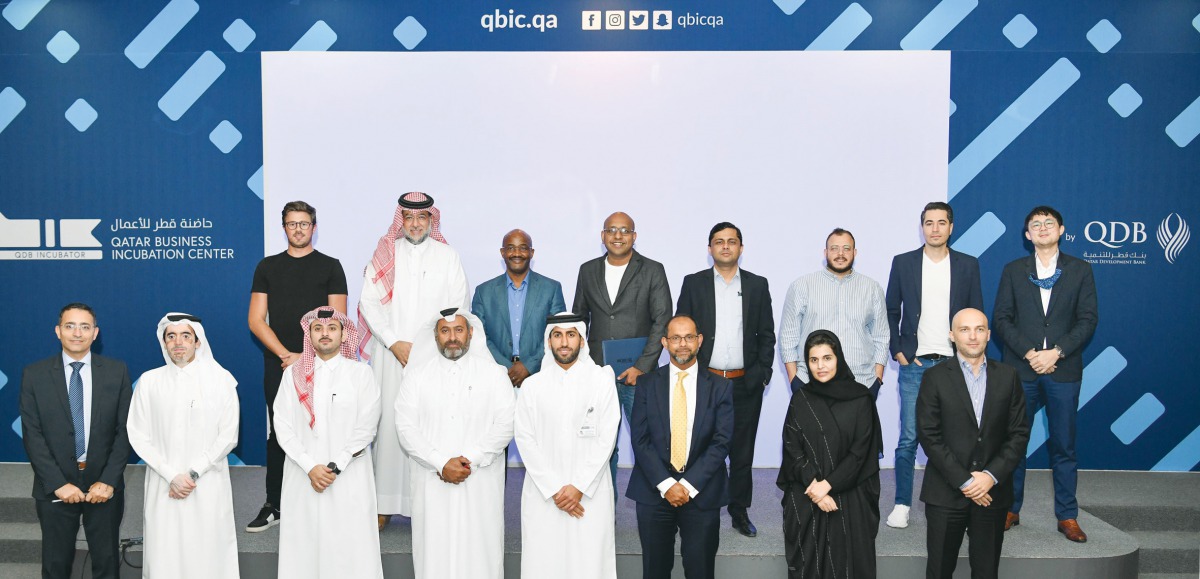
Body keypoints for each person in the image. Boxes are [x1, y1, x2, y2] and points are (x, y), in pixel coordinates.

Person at [359, 191, 469, 528]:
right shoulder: (385, 254)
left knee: (430, 425)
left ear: (431, 220)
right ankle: (384, 502)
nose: (416, 224)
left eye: (422, 217)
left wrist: (430, 347)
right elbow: (369, 303)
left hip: (435, 356)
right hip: (391, 354)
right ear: (401, 220)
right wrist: (394, 342)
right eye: (409, 217)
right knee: (390, 426)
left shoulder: (448, 255)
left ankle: (427, 501)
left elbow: (458, 305)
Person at [992, 205, 1098, 542]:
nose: (1042, 228)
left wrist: (1056, 352)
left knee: (1064, 446)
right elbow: (1002, 319)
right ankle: (1010, 508)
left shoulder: (1080, 270)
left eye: (1048, 223)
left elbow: (1087, 320)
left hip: (1063, 371)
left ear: (1061, 230)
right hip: (1021, 370)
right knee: (1014, 444)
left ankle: (1067, 516)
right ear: (1027, 235)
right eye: (1035, 224)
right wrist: (1030, 353)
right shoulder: (1013, 270)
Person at [248, 200, 348, 532]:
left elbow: (336, 321)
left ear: (313, 228)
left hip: (324, 363)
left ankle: (325, 500)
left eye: (304, 223)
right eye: (292, 224)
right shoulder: (267, 267)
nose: (298, 229)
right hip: (278, 364)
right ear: (284, 228)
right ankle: (274, 504)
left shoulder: (331, 267)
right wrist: (286, 356)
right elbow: (256, 320)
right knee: (280, 432)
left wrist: (305, 357)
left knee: (324, 428)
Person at [883, 202, 983, 529]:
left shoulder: (968, 265)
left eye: (941, 222)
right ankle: (901, 504)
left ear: (951, 227)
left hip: (955, 366)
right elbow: (891, 310)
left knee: (958, 439)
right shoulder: (904, 262)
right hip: (915, 364)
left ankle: (958, 503)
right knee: (909, 438)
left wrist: (971, 356)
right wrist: (898, 350)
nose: (935, 228)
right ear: (922, 227)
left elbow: (976, 313)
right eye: (929, 223)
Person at [395, 308, 515, 579]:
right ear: (435, 336)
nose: (452, 337)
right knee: (434, 551)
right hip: (431, 480)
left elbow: (505, 424)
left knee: (480, 552)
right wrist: (440, 463)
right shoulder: (415, 377)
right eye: (445, 331)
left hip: (480, 480)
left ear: (470, 333)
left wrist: (469, 460)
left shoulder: (494, 374)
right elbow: (405, 428)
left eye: (458, 330)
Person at [675, 222, 775, 537]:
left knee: (742, 453)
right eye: (719, 241)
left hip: (745, 383)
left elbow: (767, 335)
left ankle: (739, 511)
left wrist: (763, 374)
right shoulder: (694, 283)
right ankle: (699, 508)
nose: (726, 246)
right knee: (701, 448)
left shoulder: (757, 285)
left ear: (741, 248)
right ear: (710, 249)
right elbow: (680, 331)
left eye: (732, 241)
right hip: (706, 382)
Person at [19, 303, 133, 579]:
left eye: (85, 327)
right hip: (54, 486)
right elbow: (33, 434)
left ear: (95, 333)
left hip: (103, 487)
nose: (77, 333)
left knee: (107, 563)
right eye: (70, 326)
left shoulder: (116, 371)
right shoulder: (34, 374)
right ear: (58, 331)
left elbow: (126, 430)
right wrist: (57, 483)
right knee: (55, 564)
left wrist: (108, 480)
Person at [918, 308, 1030, 579]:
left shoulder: (1009, 376)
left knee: (986, 571)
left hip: (992, 493)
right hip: (946, 492)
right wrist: (967, 481)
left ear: (988, 335)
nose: (972, 336)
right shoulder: (934, 377)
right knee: (939, 571)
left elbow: (1019, 434)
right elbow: (929, 436)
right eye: (964, 329)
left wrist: (990, 476)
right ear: (952, 335)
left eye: (979, 329)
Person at [273, 306, 383, 578]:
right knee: (304, 545)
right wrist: (310, 467)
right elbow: (283, 426)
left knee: (349, 546)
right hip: (303, 475)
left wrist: (336, 466)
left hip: (348, 475)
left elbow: (366, 427)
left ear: (344, 336)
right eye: (318, 329)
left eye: (332, 328)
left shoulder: (361, 374)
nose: (325, 333)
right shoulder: (292, 375)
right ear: (309, 335)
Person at [127, 313, 240, 577]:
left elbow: (228, 436)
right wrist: (171, 475)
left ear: (198, 342)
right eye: (171, 336)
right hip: (163, 483)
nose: (178, 342)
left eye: (186, 336)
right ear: (164, 342)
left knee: (208, 553)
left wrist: (192, 474)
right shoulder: (149, 381)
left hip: (207, 482)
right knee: (164, 553)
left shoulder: (222, 380)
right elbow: (137, 435)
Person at [626, 315, 733, 579]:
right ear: (664, 342)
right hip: (654, 490)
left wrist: (686, 485)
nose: (682, 344)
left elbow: (721, 441)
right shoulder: (647, 384)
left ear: (699, 340)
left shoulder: (720, 387)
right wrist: (667, 485)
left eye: (688, 337)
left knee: (700, 571)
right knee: (655, 571)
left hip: (701, 491)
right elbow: (640, 439)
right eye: (675, 338)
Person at [515, 313, 620, 579]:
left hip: (589, 494)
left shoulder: (601, 381)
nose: (564, 342)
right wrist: (555, 489)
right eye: (557, 335)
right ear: (548, 341)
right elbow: (525, 439)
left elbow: (607, 438)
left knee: (589, 564)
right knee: (545, 564)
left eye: (571, 335)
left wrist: (579, 487)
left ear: (582, 341)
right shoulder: (532, 386)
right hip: (545, 494)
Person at [572, 211, 672, 490]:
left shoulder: (652, 270)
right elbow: (580, 320)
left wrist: (642, 366)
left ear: (634, 236)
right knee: (600, 446)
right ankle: (605, 508)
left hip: (638, 376)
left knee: (646, 443)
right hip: (597, 374)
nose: (618, 236)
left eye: (625, 230)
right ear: (603, 236)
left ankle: (650, 507)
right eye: (612, 230)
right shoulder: (587, 270)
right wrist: (583, 365)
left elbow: (662, 319)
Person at [778, 330, 882, 579]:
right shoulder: (801, 399)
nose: (820, 366)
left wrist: (828, 485)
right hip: (808, 488)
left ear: (839, 359)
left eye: (827, 358)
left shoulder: (861, 398)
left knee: (848, 564)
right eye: (813, 360)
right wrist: (815, 486)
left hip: (850, 488)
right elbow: (792, 447)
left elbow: (860, 453)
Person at [779, 228, 888, 397]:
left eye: (846, 248)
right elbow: (788, 336)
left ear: (855, 252)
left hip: (861, 383)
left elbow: (881, 336)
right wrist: (795, 381)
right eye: (834, 248)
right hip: (811, 384)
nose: (840, 254)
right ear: (825, 253)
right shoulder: (802, 286)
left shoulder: (872, 288)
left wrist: (877, 379)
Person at [471, 228, 567, 387]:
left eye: (523, 248)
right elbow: (479, 335)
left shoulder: (551, 288)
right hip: (495, 376)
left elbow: (556, 333)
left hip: (541, 376)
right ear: (502, 252)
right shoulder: (484, 291)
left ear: (532, 253)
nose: (517, 253)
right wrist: (506, 367)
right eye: (510, 248)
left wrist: (528, 366)